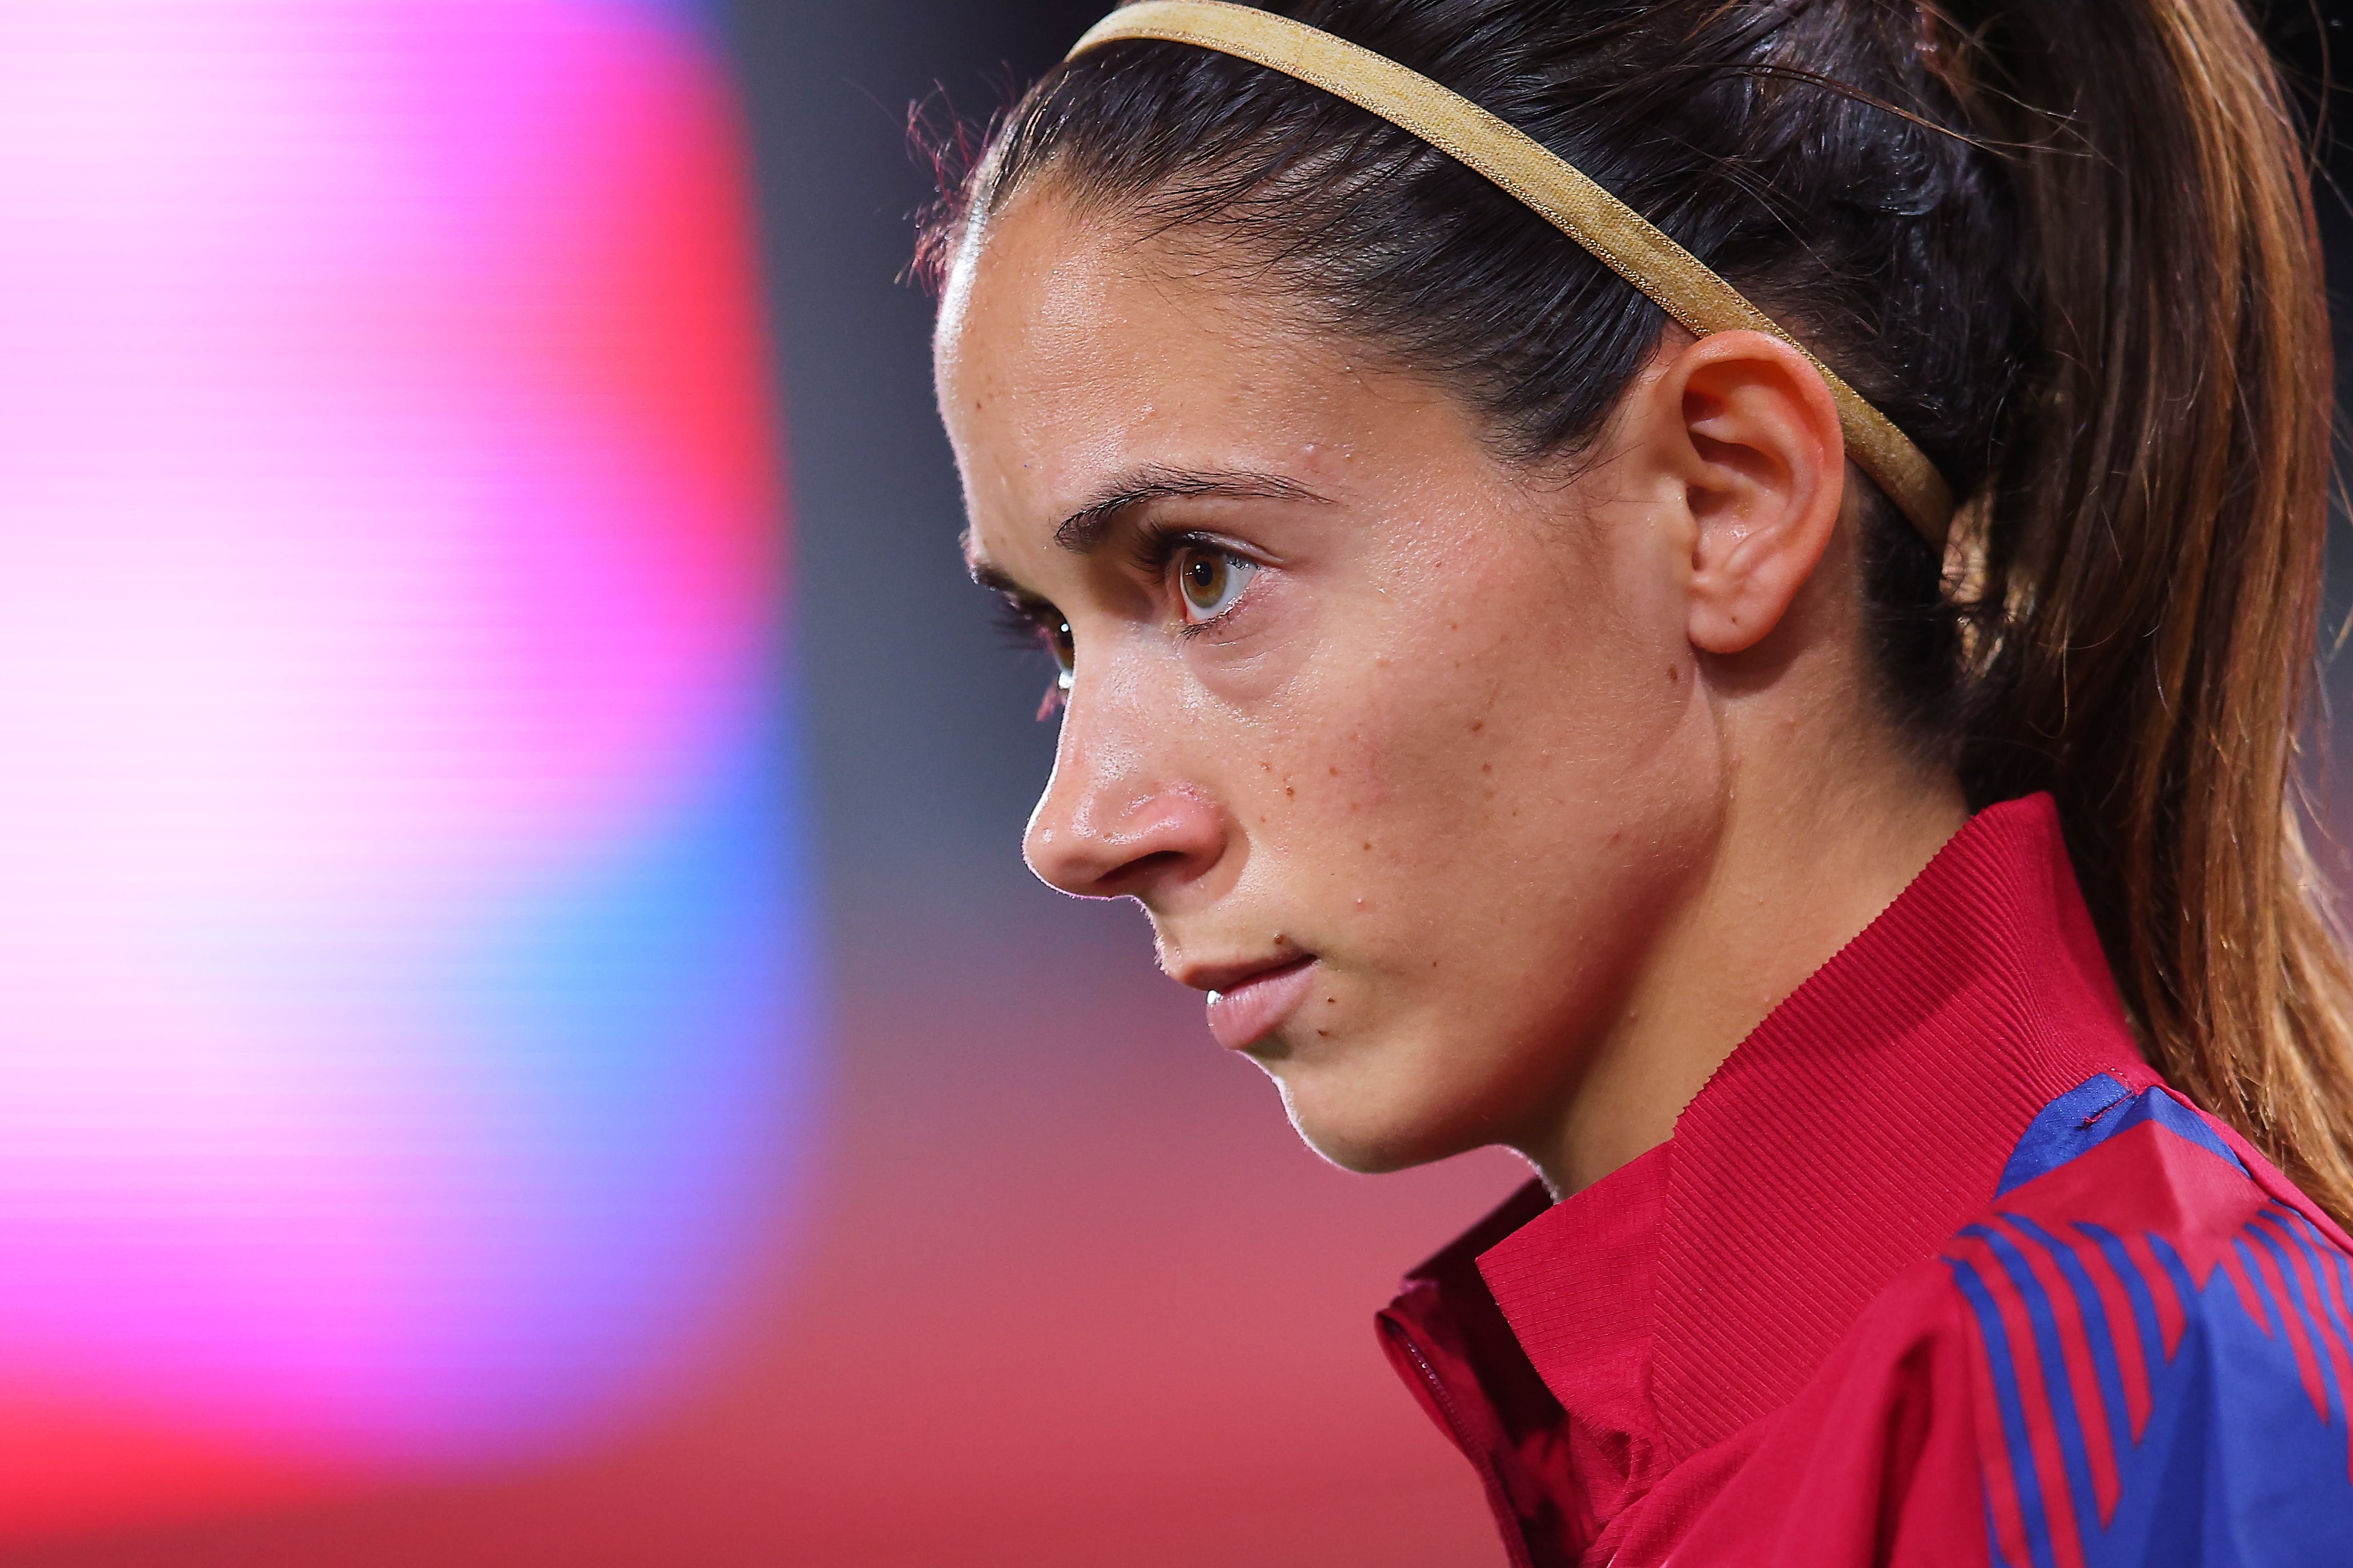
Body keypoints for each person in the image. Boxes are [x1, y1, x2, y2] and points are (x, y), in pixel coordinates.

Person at [920, 0, 2353, 1561]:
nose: (1077, 829)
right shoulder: (1947, 1395)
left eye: (1203, 570)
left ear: (1724, 498)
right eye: (1051, 637)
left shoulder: (2117, 1387)